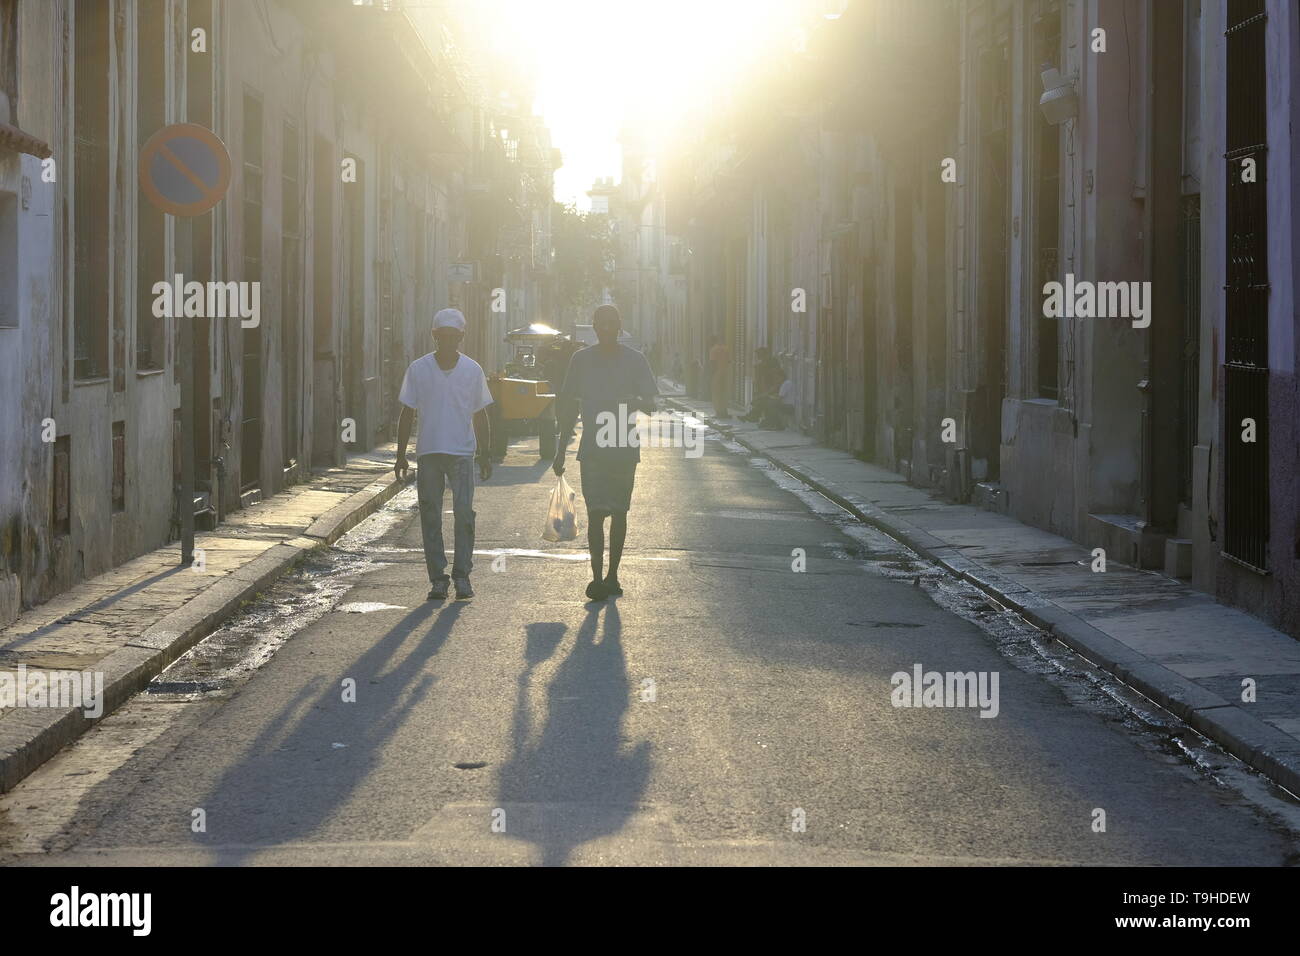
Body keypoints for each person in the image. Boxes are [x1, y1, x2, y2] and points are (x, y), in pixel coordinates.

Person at [553, 304, 659, 601]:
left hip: (624, 445)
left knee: (620, 512)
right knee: (596, 512)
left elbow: (651, 403)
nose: (607, 329)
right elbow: (568, 406)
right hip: (593, 448)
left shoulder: (636, 360)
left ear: (620, 326)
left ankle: (613, 575)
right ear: (595, 326)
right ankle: (597, 576)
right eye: (602, 324)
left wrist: (632, 400)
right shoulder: (581, 360)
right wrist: (560, 449)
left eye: (612, 324)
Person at [394, 308, 493, 601]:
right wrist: (401, 455)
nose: (448, 342)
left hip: (462, 452)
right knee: (430, 515)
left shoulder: (472, 370)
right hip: (429, 452)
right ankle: (438, 578)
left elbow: (480, 415)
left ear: (461, 337)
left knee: (464, 514)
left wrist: (485, 453)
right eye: (443, 336)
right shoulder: (419, 369)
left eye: (454, 336)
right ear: (435, 336)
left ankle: (462, 576)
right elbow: (406, 412)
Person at [709, 335, 732, 418]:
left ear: (713, 341)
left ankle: (718, 413)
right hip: (726, 374)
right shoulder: (726, 349)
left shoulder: (713, 350)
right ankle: (725, 412)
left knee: (716, 393)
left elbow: (713, 364)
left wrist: (711, 375)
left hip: (717, 374)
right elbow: (729, 362)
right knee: (724, 393)